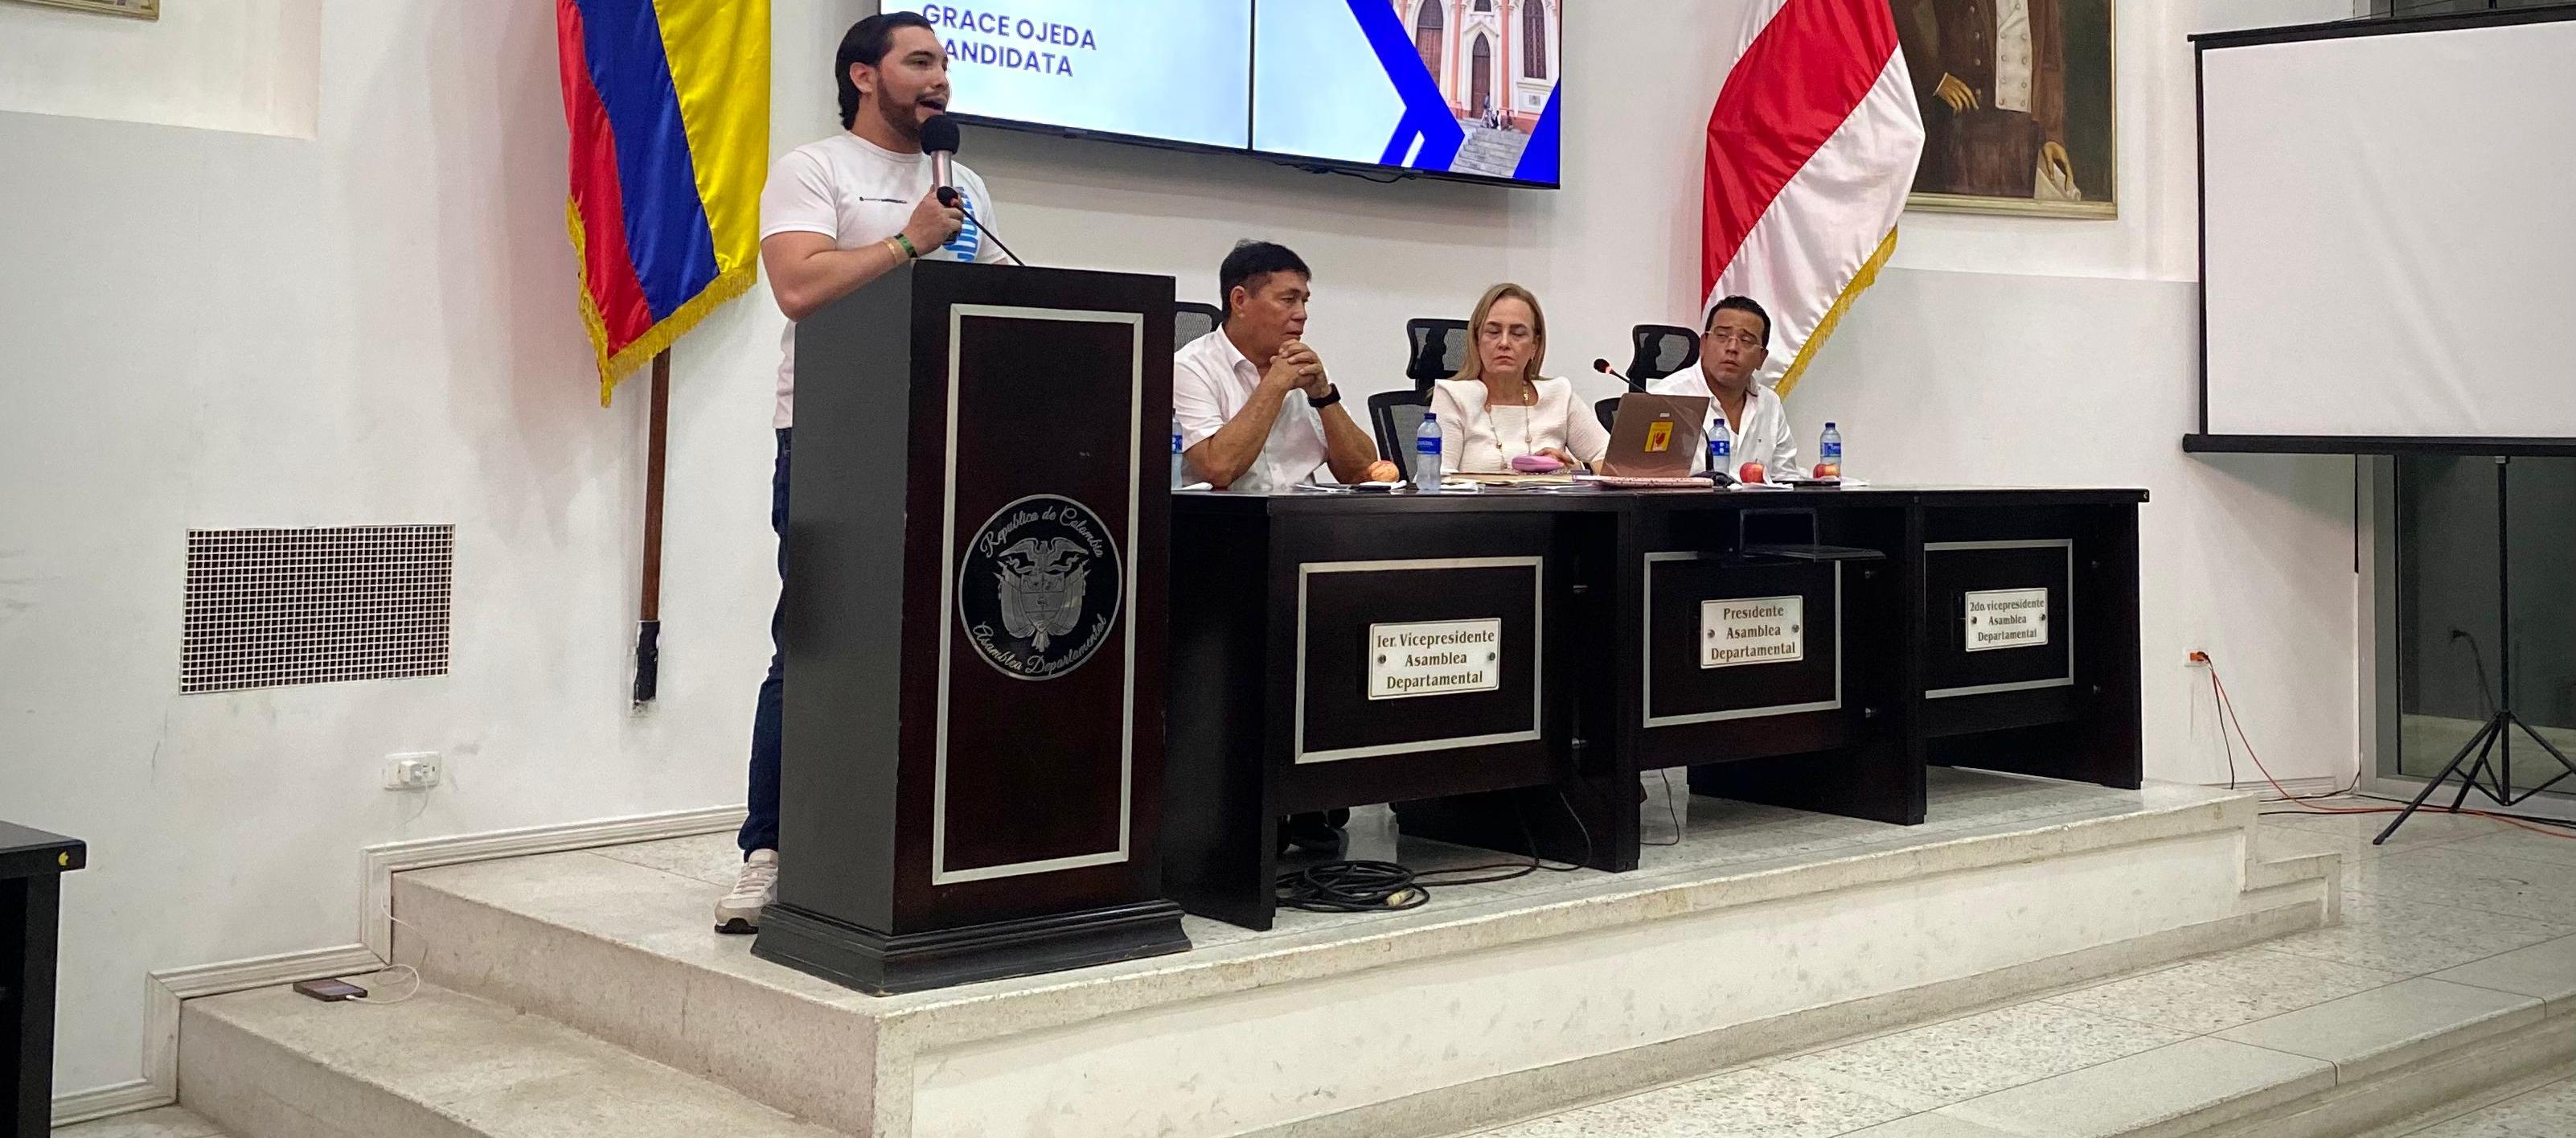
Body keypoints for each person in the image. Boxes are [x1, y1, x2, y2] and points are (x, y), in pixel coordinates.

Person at [717, 12, 1005, 935]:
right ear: (863, 75)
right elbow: (798, 287)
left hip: (947, 436)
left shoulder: (965, 186)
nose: (940, 81)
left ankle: (920, 843)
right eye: (920, 62)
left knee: (944, 643)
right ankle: (768, 850)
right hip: (836, 440)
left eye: (945, 65)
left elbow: (989, 306)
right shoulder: (817, 169)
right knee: (811, 645)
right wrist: (909, 243)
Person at [1173, 241, 1380, 493]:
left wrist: (1324, 396)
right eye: (1288, 300)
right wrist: (1275, 385)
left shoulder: (1302, 366)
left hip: (1302, 521)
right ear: (1239, 301)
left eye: (1304, 301)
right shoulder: (1189, 368)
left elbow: (1366, 473)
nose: (1302, 314)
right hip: (1224, 523)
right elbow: (1218, 470)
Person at [1429, 284, 1608, 474]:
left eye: (1518, 334)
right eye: (1493, 332)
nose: (1504, 343)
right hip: (1476, 504)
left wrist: (1576, 468)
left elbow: (1617, 463)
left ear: (1534, 345)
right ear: (1477, 339)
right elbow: (1435, 479)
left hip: (1551, 504)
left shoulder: (1559, 396)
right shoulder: (1453, 398)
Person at [1647, 296, 1803, 479]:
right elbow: (1643, 481)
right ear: (1704, 344)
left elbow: (1786, 480)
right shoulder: (1665, 399)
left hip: (1755, 506)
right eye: (1722, 336)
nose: (1732, 347)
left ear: (1761, 358)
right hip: (1690, 506)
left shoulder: (1770, 403)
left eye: (1746, 340)